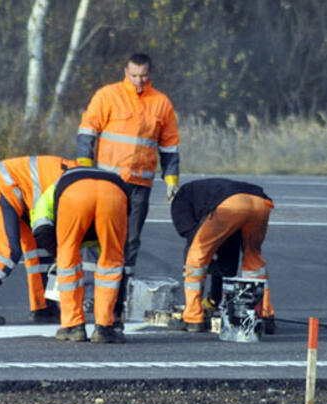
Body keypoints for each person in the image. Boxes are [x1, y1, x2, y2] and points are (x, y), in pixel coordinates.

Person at [75, 52, 180, 279]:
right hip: (107, 182)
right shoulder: (108, 96)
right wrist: (84, 167)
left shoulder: (161, 103)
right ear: (126, 73)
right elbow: (87, 131)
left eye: (143, 76)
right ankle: (94, 292)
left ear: (150, 74)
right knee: (98, 235)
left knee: (131, 239)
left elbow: (169, 145)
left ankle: (124, 291)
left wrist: (172, 180)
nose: (138, 80)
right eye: (134, 75)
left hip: (140, 185)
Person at [0, 155, 77, 325]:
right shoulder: (77, 188)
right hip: (3, 184)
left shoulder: (79, 179)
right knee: (6, 251)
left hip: (19, 191)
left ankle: (43, 308)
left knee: (40, 252)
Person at [31, 167, 129, 343]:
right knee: (112, 262)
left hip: (74, 195)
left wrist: (58, 254)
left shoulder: (50, 192)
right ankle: (105, 328)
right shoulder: (106, 179)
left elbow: (41, 228)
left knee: (67, 260)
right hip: (115, 193)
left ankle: (72, 326)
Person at [168, 178, 276, 333]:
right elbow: (229, 250)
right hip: (261, 203)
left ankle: (193, 318)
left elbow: (190, 236)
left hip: (230, 204)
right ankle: (264, 315)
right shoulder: (203, 192)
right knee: (253, 260)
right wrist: (215, 296)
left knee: (195, 258)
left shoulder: (181, 199)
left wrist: (207, 259)